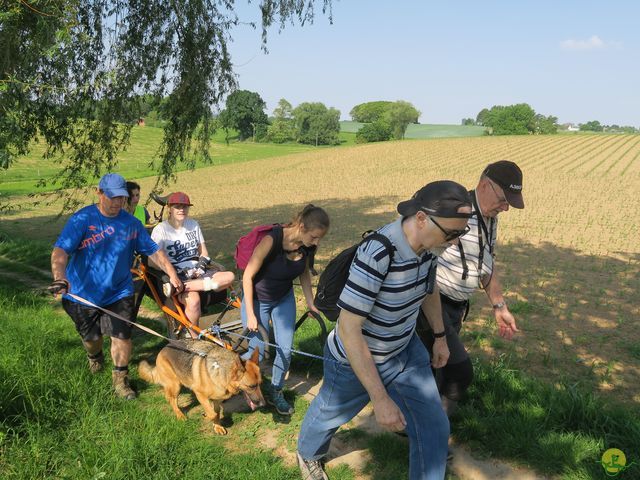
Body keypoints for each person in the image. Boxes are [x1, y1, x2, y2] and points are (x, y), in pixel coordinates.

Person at [297, 181, 473, 480]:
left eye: (460, 233)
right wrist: (379, 399)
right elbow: (349, 328)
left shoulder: (431, 245)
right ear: (421, 218)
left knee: (435, 425)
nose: (454, 242)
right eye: (451, 233)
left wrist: (440, 337)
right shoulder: (378, 253)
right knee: (331, 413)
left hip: (405, 348)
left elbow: (429, 289)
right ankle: (308, 453)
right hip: (355, 358)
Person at [50, 173, 183, 400]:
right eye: (111, 197)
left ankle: (121, 380)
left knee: (122, 335)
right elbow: (61, 252)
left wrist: (172, 274)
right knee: (92, 339)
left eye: (121, 198)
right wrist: (59, 277)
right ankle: (95, 357)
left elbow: (153, 251)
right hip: (82, 294)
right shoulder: (82, 220)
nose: (116, 203)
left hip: (119, 291)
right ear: (99, 193)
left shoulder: (131, 224)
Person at [417, 160, 524, 418]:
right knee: (459, 373)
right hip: (432, 302)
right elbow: (419, 253)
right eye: (503, 199)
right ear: (485, 185)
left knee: (435, 367)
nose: (506, 207)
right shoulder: (454, 210)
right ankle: (432, 430)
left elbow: (487, 263)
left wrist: (499, 306)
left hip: (457, 307)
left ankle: (418, 426)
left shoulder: (489, 218)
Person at [242, 204, 329, 416]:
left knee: (286, 349)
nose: (317, 242)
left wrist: (310, 302)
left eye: (319, 239)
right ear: (301, 226)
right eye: (315, 237)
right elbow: (247, 276)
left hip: (283, 298)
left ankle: (275, 390)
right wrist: (252, 314)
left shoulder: (307, 247)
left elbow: (304, 274)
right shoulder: (272, 240)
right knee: (258, 352)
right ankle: (242, 381)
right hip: (257, 299)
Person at [150, 192, 235, 336]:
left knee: (229, 277)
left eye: (185, 207)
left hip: (197, 271)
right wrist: (170, 275)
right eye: (178, 207)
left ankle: (183, 288)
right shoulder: (161, 230)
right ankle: (193, 337)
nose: (182, 210)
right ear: (169, 208)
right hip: (176, 273)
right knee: (194, 300)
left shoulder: (193, 224)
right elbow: (153, 259)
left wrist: (200, 268)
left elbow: (204, 253)